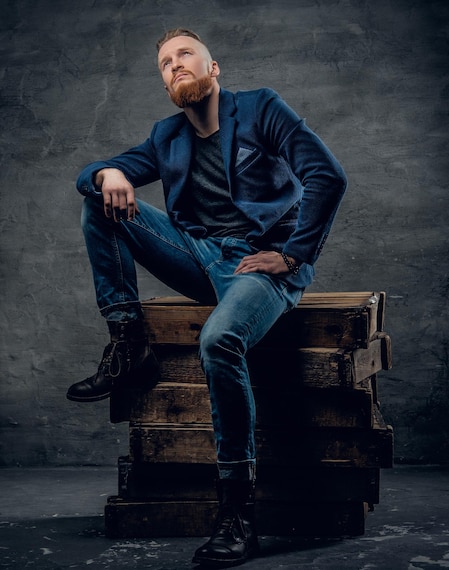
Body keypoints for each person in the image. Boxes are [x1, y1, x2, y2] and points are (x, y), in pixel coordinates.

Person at [66, 27, 347, 567]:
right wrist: (109, 172)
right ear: (166, 83)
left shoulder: (261, 108)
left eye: (186, 55)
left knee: (220, 340)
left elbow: (326, 176)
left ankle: (237, 514)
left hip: (258, 264)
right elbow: (89, 176)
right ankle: (129, 345)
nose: (176, 65)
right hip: (198, 255)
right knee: (100, 202)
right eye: (166, 62)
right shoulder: (166, 136)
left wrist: (291, 256)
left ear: (213, 69)